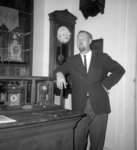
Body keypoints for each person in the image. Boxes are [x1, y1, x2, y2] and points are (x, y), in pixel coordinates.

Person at [54, 30, 125, 150]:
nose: (79, 41)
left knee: (97, 143)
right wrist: (59, 73)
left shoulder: (102, 57)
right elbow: (58, 70)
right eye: (78, 39)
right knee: (77, 142)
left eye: (83, 38)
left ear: (90, 41)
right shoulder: (72, 60)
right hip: (79, 107)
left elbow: (119, 70)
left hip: (100, 106)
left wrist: (105, 85)